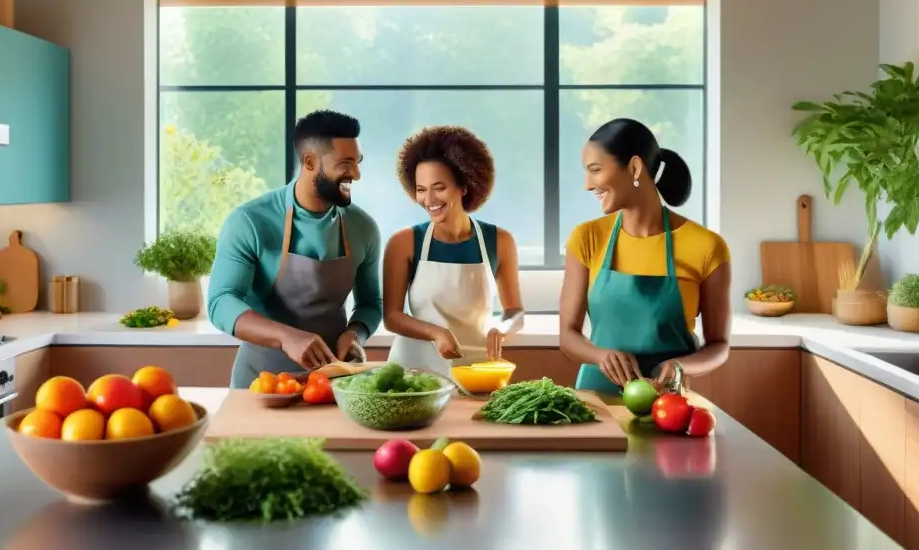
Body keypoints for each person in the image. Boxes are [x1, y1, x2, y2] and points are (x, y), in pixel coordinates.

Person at [207, 110, 382, 389]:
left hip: (335, 383)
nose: (357, 175)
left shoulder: (364, 227)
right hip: (262, 383)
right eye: (346, 163)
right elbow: (220, 301)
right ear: (310, 162)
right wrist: (286, 336)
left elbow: (371, 303)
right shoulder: (250, 221)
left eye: (358, 163)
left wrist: (355, 334)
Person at [559, 118, 731, 395]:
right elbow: (568, 336)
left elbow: (719, 346)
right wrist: (600, 356)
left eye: (595, 170)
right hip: (595, 401)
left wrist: (679, 366)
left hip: (668, 404)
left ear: (635, 167)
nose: (587, 185)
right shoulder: (587, 238)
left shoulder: (707, 246)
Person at [382, 125, 524, 375]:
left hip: (475, 368)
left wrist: (502, 328)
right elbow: (392, 317)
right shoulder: (404, 242)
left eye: (439, 187)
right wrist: (437, 333)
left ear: (464, 186)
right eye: (421, 190)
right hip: (413, 370)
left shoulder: (499, 241)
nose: (429, 199)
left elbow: (515, 311)